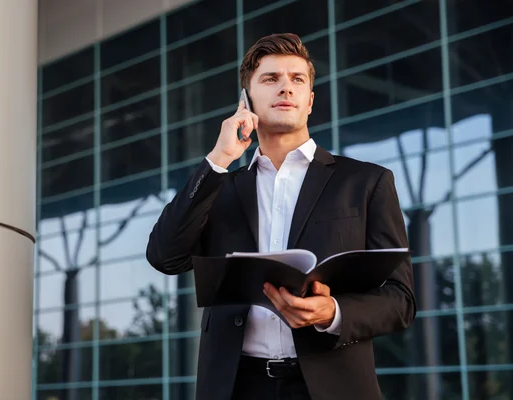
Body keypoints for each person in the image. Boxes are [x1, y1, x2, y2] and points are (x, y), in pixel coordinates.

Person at [146, 33, 416, 400]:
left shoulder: (367, 182)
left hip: (331, 387)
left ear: (309, 102)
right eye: (271, 79)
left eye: (297, 80)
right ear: (247, 100)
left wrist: (332, 312)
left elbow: (400, 300)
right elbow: (165, 256)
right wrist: (219, 159)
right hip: (236, 386)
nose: (286, 88)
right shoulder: (220, 187)